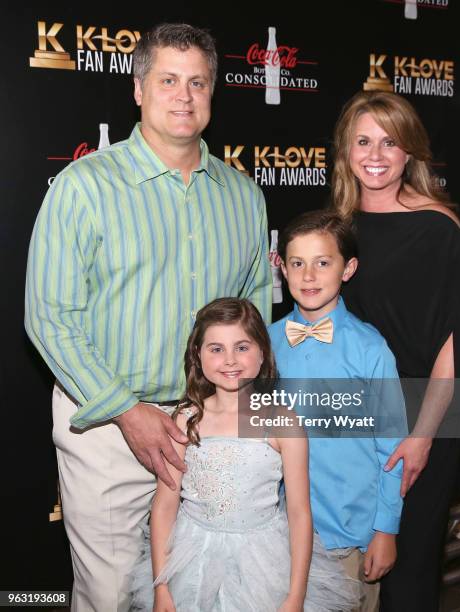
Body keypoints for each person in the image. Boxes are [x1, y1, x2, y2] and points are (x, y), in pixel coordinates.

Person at [24, 23, 272, 612]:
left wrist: (233, 409)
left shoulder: (244, 196)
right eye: (167, 80)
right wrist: (127, 411)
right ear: (138, 89)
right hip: (105, 425)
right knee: (110, 593)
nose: (183, 95)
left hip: (206, 423)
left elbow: (256, 310)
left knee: (202, 590)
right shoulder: (83, 188)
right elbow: (49, 317)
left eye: (197, 82)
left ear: (213, 93)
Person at [333, 90, 460, 612]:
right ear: (346, 152)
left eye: (390, 143)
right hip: (350, 420)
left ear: (410, 153)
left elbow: (456, 348)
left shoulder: (441, 230)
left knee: (409, 570)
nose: (376, 155)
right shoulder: (336, 231)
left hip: (423, 421)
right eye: (364, 141)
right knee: (346, 566)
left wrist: (422, 439)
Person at [131, 297, 361, 611]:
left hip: (263, 564)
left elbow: (299, 513)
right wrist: (161, 589)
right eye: (216, 349)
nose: (230, 360)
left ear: (262, 352)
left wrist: (295, 596)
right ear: (197, 356)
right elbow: (164, 505)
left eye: (242, 347)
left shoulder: (283, 423)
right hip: (190, 559)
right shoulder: (185, 419)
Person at [268, 210, 407, 612]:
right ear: (283, 269)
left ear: (348, 269)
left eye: (322, 262)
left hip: (349, 535)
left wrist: (386, 529)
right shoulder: (265, 344)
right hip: (281, 537)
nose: (309, 276)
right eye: (298, 263)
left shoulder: (370, 349)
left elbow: (392, 447)